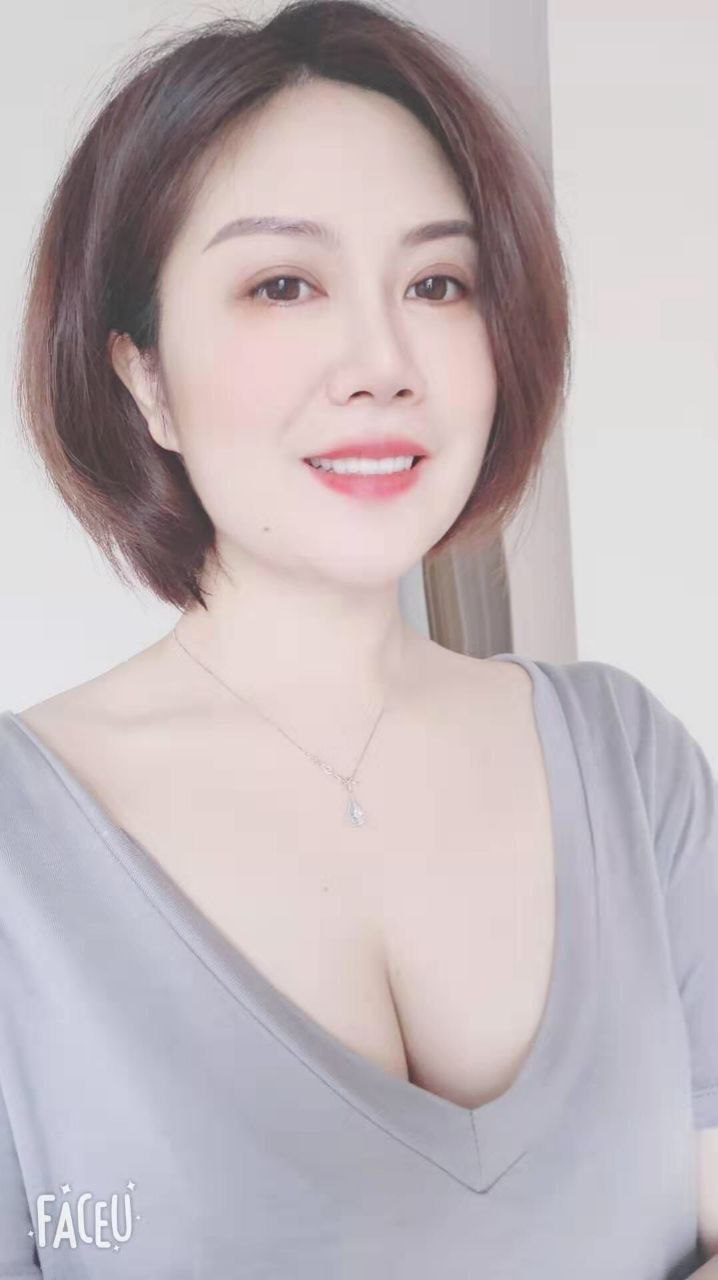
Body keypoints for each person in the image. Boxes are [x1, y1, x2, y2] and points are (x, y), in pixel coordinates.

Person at [2, 1, 717, 1275]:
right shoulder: (23, 860)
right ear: (143, 375)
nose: (383, 362)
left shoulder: (626, 761)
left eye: (438, 283)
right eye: (283, 284)